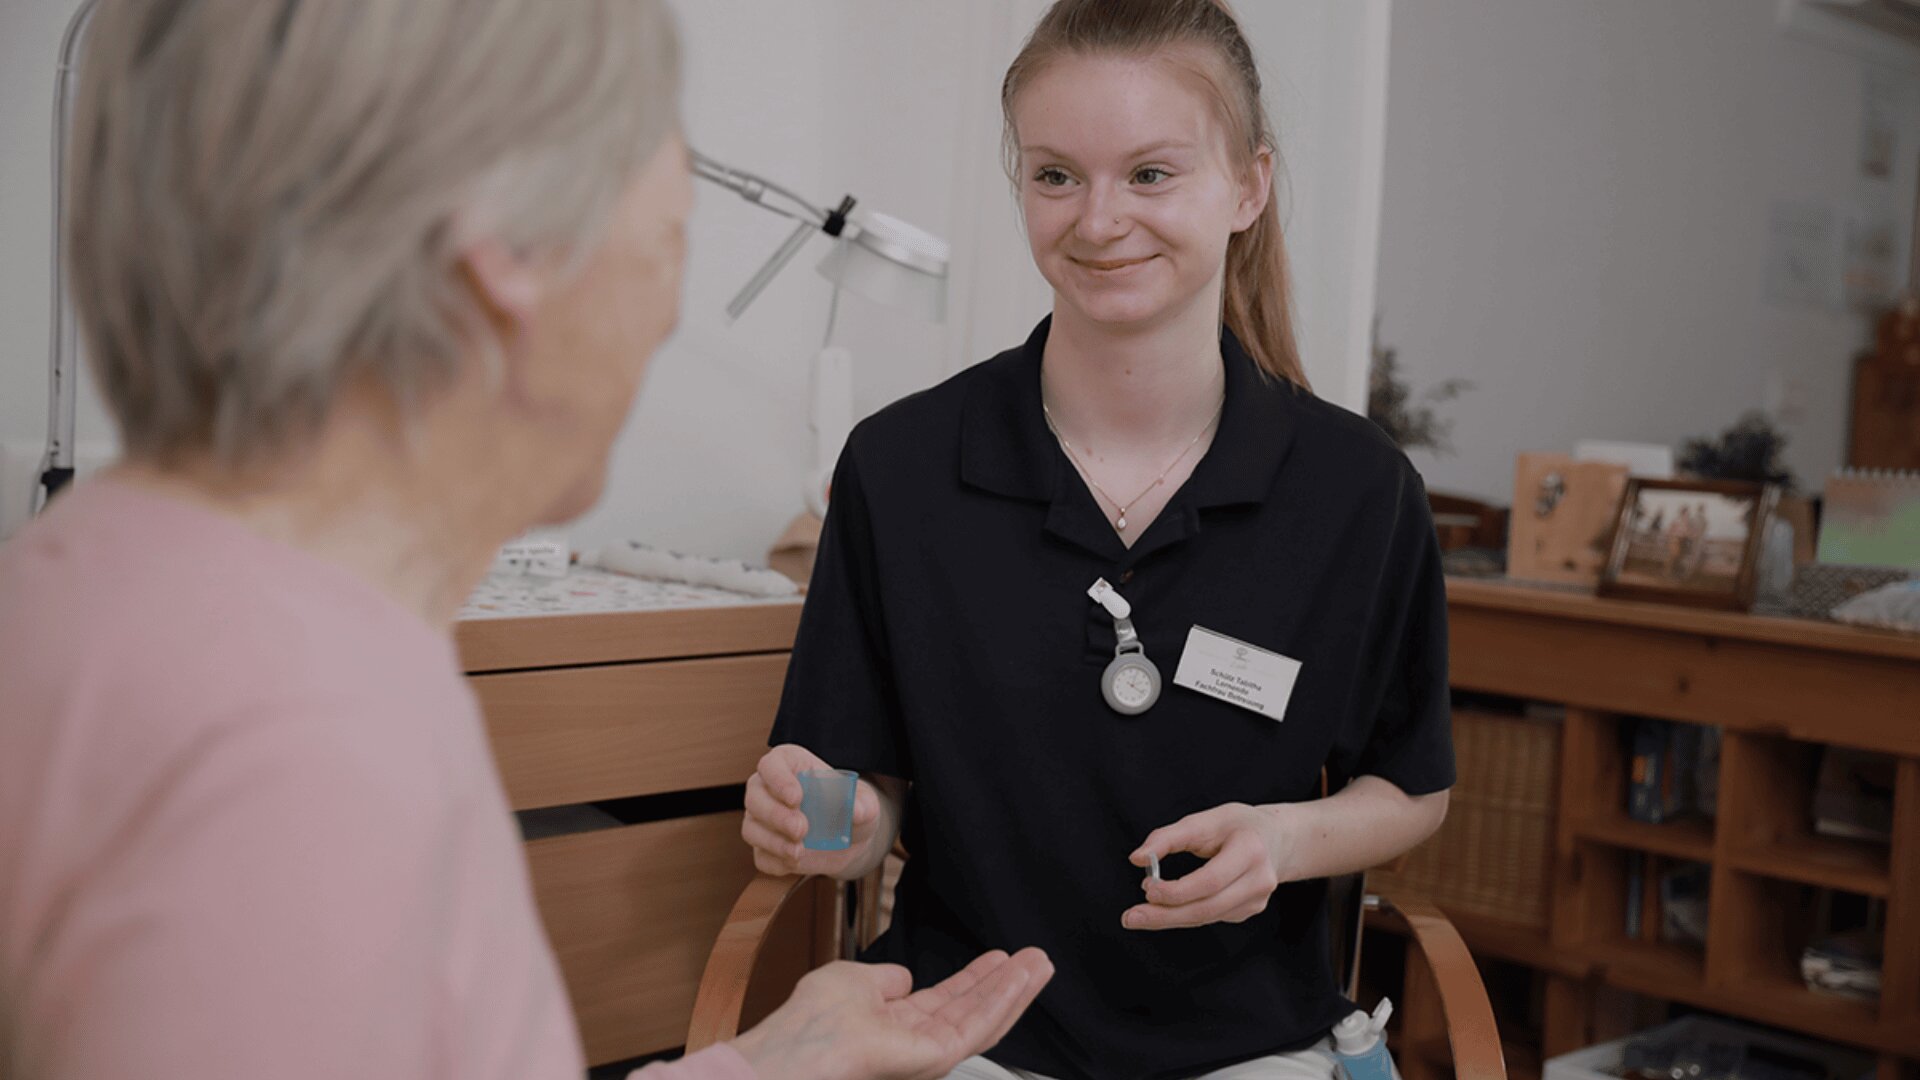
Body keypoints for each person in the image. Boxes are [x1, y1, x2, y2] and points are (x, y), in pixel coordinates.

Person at [0, 3, 1051, 1079]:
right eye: (672, 235)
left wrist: (772, 1063)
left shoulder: (103, 581)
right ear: (504, 248)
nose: (664, 315)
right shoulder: (291, 741)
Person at [742, 2, 1453, 1078]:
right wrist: (819, 825)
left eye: (1151, 174)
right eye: (1056, 176)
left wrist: (1283, 840)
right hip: (962, 1036)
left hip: (1251, 1051)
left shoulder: (1360, 491)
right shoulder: (900, 469)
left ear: (1249, 187)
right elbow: (866, 810)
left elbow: (1411, 787)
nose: (1099, 220)